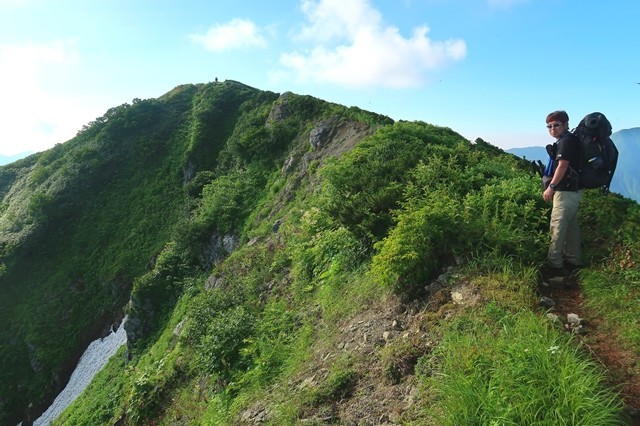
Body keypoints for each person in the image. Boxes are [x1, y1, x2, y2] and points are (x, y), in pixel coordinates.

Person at [542, 110, 582, 277]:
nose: (552, 129)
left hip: (565, 192)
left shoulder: (565, 141)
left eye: (556, 125)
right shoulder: (569, 140)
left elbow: (562, 166)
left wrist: (551, 186)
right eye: (549, 126)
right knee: (571, 228)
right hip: (573, 192)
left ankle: (555, 265)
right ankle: (574, 262)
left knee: (557, 227)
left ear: (566, 124)